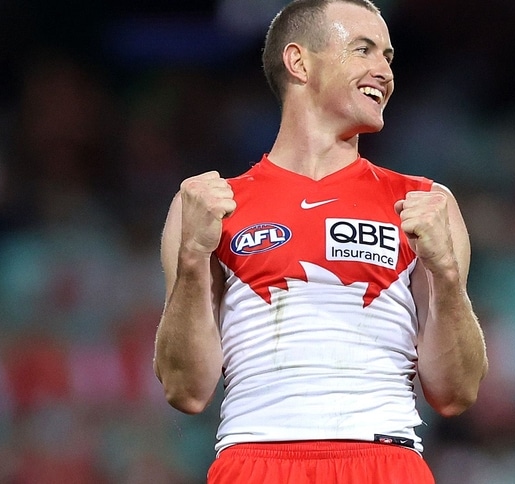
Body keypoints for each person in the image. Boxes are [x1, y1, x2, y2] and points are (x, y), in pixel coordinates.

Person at [153, 0, 488, 482]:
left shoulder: (423, 205)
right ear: (299, 62)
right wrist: (191, 260)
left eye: (389, 57)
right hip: (254, 460)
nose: (385, 72)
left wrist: (448, 277)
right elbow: (187, 391)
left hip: (384, 461)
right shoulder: (212, 205)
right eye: (364, 49)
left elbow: (456, 393)